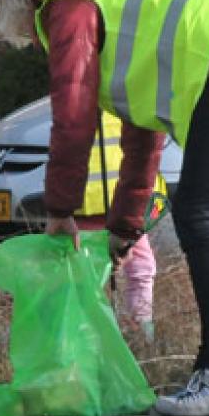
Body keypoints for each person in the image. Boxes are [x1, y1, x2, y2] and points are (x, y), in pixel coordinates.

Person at [0, 0, 209, 416]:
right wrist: (125, 228)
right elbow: (142, 137)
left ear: (29, 8)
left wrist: (60, 210)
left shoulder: (69, 3)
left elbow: (73, 118)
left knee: (201, 211)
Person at [76, 111, 164, 342]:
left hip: (127, 203)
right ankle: (90, 344)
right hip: (93, 203)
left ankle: (141, 337)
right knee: (89, 277)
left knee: (141, 268)